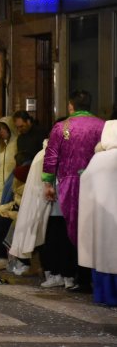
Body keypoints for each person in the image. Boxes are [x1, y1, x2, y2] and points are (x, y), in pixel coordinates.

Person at [42, 90, 104, 293]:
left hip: (67, 184)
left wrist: (48, 183)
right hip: (95, 183)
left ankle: (72, 274)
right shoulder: (101, 125)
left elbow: (51, 156)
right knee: (90, 229)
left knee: (68, 228)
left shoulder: (62, 127)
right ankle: (88, 277)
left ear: (71, 106)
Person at [78, 120, 117, 306]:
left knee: (103, 257)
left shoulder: (98, 159)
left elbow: (85, 182)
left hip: (101, 220)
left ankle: (104, 295)